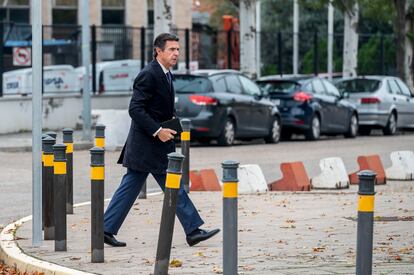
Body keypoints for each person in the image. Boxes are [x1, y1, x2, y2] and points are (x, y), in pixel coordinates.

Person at [103, 33, 219, 247]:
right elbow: (135, 109)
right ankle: (193, 230)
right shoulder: (149, 74)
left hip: (153, 144)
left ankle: (104, 229)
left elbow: (157, 108)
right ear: (158, 51)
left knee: (132, 186)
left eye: (177, 49)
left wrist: (169, 125)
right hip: (148, 143)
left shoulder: (165, 73)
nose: (176, 53)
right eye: (171, 50)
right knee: (172, 183)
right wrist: (158, 130)